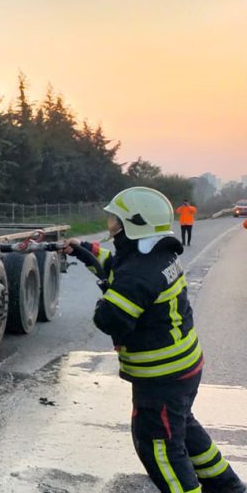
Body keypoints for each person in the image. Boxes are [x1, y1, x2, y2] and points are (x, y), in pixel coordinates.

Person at [63, 187, 245, 493]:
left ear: (134, 225)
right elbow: (118, 268)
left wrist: (106, 295)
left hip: (161, 377)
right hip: (183, 367)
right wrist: (83, 249)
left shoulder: (139, 272)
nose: (111, 226)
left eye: (115, 221)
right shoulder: (155, 253)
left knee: (160, 449)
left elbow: (109, 317)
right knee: (183, 428)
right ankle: (227, 486)